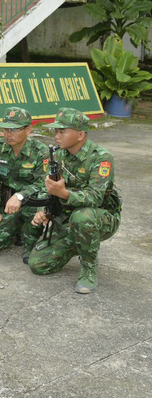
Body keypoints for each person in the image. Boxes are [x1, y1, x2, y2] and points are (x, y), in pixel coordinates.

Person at [28, 108, 122, 293]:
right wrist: (45, 211)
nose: (57, 136)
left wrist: (64, 194)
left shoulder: (100, 158)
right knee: (38, 264)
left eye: (62, 131)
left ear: (80, 135)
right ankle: (81, 242)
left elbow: (95, 197)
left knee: (83, 217)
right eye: (56, 131)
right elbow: (48, 189)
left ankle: (88, 269)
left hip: (100, 217)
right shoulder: (58, 155)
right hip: (68, 218)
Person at [0, 107, 46, 263]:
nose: (9, 134)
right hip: (7, 206)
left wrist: (20, 195)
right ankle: (16, 228)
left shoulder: (40, 152)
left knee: (40, 199)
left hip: (31, 205)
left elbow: (44, 183)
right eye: (6, 129)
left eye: (14, 129)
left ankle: (30, 243)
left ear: (28, 130)